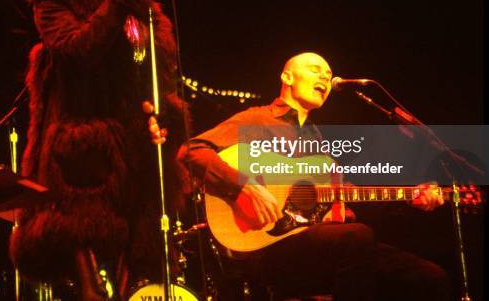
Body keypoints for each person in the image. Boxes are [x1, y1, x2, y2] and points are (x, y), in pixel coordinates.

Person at [9, 0, 189, 300]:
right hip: (81, 160)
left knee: (135, 276)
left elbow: (151, 73)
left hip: (135, 155)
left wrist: (156, 112)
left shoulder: (142, 5)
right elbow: (78, 51)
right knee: (93, 290)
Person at [177, 52, 450, 300]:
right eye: (315, 68)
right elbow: (191, 152)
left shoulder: (315, 140)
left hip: (319, 243)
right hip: (269, 248)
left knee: (430, 278)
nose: (325, 77)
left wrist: (410, 196)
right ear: (287, 77)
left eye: (329, 75)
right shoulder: (258, 121)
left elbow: (345, 194)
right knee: (356, 238)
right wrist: (243, 186)